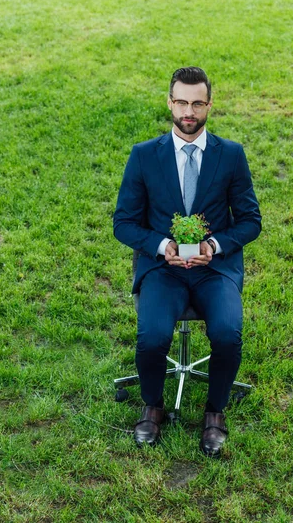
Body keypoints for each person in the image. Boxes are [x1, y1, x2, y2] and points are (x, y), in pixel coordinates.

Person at [113, 66, 262, 457]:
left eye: (197, 103)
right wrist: (163, 247)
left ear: (209, 104)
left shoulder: (230, 155)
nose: (189, 111)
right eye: (181, 102)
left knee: (228, 334)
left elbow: (250, 220)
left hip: (214, 269)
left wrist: (216, 244)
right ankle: (152, 405)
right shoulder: (144, 156)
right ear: (170, 102)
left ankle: (215, 413)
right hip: (163, 269)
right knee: (151, 338)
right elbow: (123, 224)